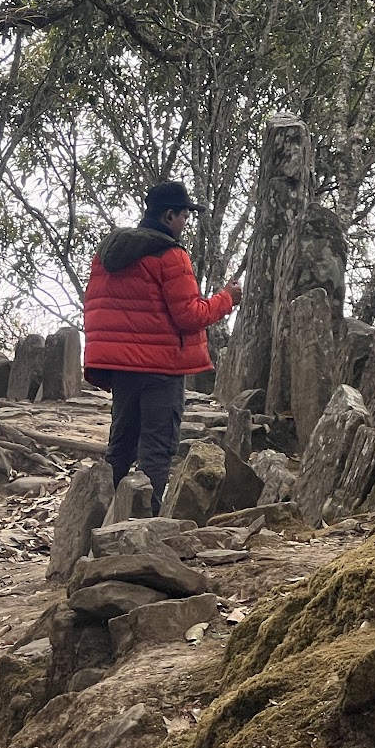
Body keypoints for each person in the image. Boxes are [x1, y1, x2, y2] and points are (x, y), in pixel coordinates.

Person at [82, 181, 240, 508]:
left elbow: (97, 306)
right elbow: (189, 315)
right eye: (184, 216)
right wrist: (227, 299)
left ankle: (100, 518)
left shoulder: (108, 253)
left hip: (122, 367)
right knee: (157, 449)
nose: (186, 223)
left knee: (121, 445)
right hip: (161, 369)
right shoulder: (170, 254)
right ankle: (145, 525)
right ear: (169, 215)